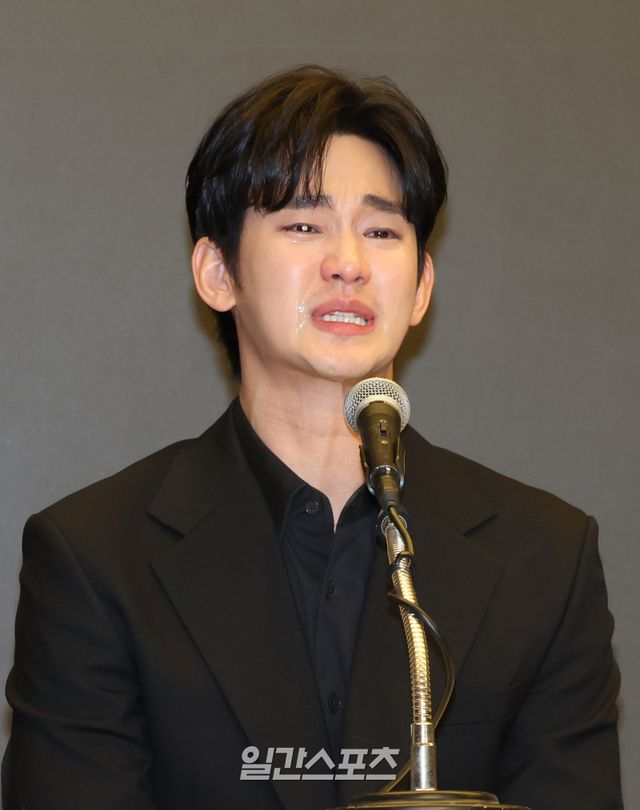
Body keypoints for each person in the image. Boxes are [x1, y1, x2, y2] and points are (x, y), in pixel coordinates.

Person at [2, 65, 623, 810]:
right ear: (218, 271)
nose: (348, 264)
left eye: (382, 231)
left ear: (421, 287)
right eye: (303, 225)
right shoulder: (97, 559)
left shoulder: (543, 559)